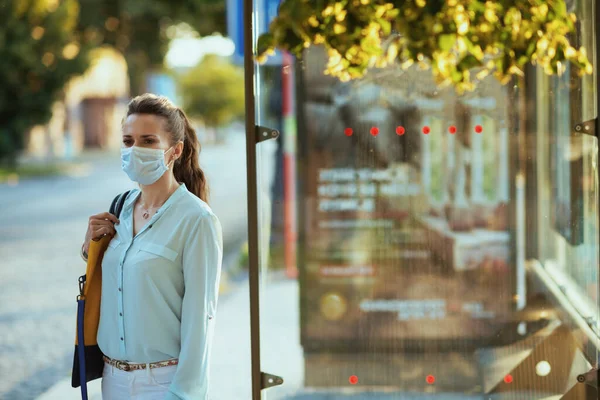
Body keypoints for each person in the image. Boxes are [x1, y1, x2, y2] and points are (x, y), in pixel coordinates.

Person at [80, 93, 223, 399]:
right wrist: (90, 247)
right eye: (128, 141)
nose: (135, 150)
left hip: (163, 382)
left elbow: (201, 318)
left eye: (148, 141)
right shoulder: (120, 209)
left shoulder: (197, 220)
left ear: (175, 151)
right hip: (112, 379)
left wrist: (183, 393)